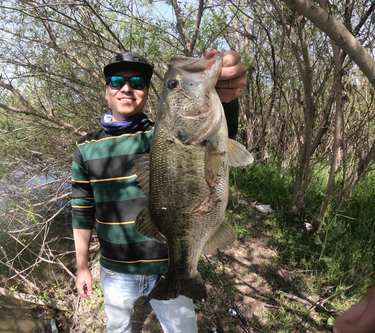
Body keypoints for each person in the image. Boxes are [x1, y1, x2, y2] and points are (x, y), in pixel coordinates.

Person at [71, 50, 247, 333]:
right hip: (115, 271)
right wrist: (81, 266)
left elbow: (220, 137)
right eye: (117, 80)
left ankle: (184, 275)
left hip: (168, 263)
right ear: (107, 89)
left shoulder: (162, 135)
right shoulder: (85, 147)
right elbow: (81, 209)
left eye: (137, 82)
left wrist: (226, 99)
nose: (126, 88)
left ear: (146, 91)